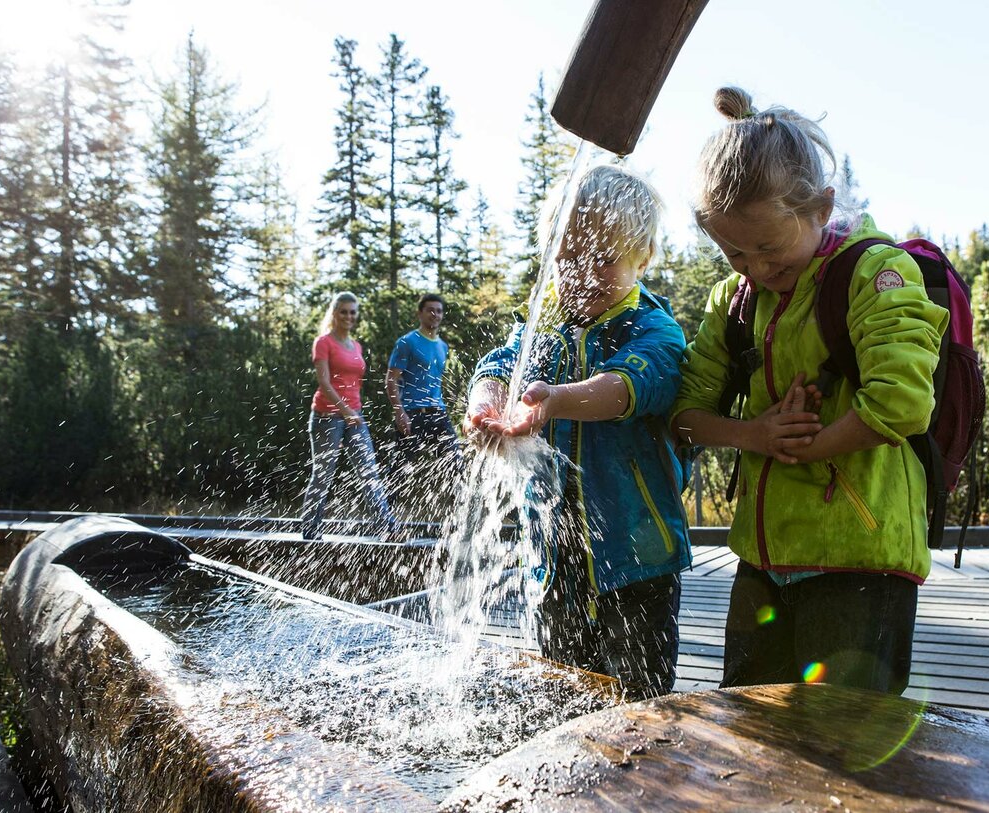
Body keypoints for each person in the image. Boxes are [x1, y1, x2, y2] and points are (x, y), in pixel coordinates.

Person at [670, 87, 949, 695]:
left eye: (770, 247)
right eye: (733, 252)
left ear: (822, 207)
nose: (755, 268)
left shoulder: (875, 273)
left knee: (847, 743)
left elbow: (901, 402)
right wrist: (756, 435)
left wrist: (808, 445)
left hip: (861, 563)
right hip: (762, 562)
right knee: (746, 731)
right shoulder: (735, 298)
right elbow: (685, 415)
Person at [464, 164, 690, 699]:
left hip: (638, 557)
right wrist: (486, 402)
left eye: (605, 260)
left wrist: (559, 400)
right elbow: (500, 362)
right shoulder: (546, 327)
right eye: (568, 259)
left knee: (641, 698)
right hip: (553, 553)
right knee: (561, 689)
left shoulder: (653, 328)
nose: (583, 273)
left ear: (644, 258)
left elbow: (632, 384)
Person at [298, 291, 400, 542]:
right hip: (326, 416)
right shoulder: (324, 342)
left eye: (352, 312)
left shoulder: (356, 346)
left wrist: (352, 412)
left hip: (355, 416)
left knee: (369, 471)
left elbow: (353, 382)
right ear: (334, 314)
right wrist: (345, 411)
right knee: (323, 474)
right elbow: (323, 382)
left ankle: (387, 527)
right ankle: (310, 530)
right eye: (343, 311)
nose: (348, 316)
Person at [385, 294, 462, 506]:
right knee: (400, 468)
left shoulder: (443, 346)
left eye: (438, 310)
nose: (434, 314)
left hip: (438, 412)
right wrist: (399, 412)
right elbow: (391, 380)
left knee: (455, 463)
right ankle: (385, 520)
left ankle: (458, 520)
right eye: (430, 310)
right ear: (419, 313)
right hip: (412, 414)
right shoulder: (407, 342)